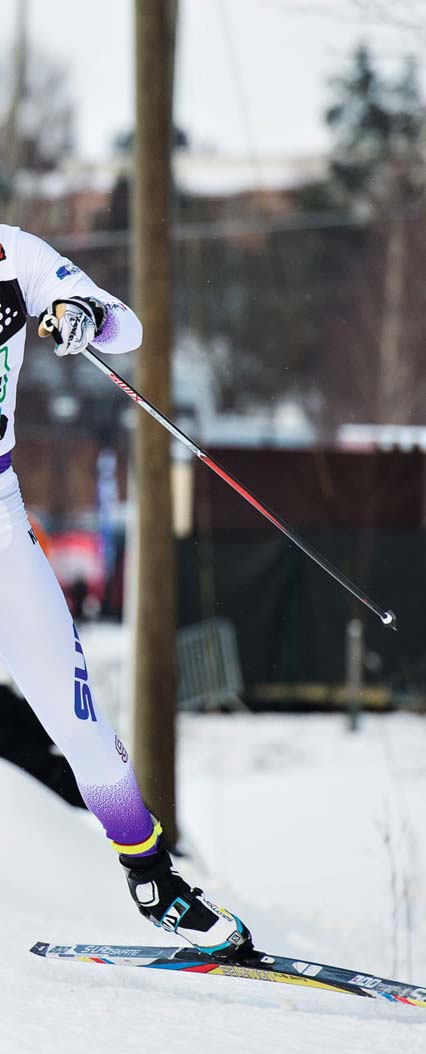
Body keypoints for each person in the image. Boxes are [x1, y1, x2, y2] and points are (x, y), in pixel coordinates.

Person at [0, 223, 251, 959]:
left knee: (75, 717)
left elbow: (125, 327)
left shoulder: (14, 252)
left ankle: (153, 879)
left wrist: (83, 315)